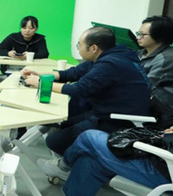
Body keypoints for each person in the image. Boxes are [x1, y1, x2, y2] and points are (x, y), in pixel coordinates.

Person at [23, 27, 151, 162]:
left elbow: (78, 89)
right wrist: (40, 75)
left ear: (93, 48)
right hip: (105, 110)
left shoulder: (110, 64)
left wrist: (41, 83)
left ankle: (69, 165)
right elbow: (72, 73)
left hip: (118, 120)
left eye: (80, 45)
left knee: (54, 141)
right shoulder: (107, 56)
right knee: (63, 123)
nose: (78, 48)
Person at [41, 122, 173, 196]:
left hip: (168, 173)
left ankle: (62, 166)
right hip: (164, 161)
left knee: (89, 137)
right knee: (94, 156)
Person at [136, 15, 173, 86]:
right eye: (138, 33)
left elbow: (145, 86)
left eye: (143, 34)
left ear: (159, 36)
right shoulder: (141, 52)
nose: (138, 37)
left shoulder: (168, 60)